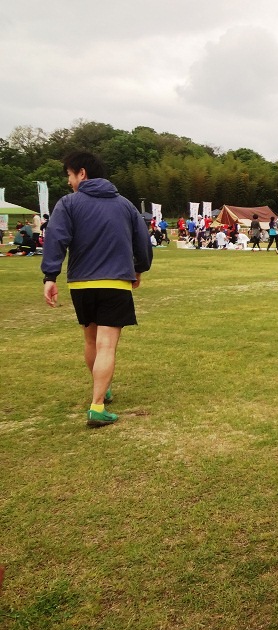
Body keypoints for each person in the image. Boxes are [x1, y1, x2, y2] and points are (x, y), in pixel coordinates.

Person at [40, 151, 153, 427]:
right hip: (115, 283)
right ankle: (97, 406)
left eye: (69, 174)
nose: (68, 182)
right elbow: (143, 244)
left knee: (91, 342)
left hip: (81, 284)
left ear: (82, 173)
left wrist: (50, 276)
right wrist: (139, 268)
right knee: (107, 346)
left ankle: (101, 389)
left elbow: (56, 239)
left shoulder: (68, 204)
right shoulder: (125, 205)